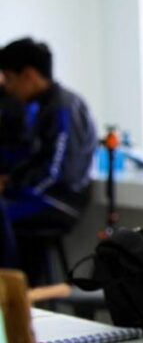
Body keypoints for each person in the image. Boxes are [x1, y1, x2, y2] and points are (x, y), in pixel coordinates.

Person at [0, 38, 97, 283]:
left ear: (29, 76)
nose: (7, 87)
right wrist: (11, 180)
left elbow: (56, 173)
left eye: (9, 78)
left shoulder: (64, 107)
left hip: (62, 200)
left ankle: (13, 292)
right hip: (43, 193)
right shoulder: (40, 106)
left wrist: (11, 188)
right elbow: (36, 160)